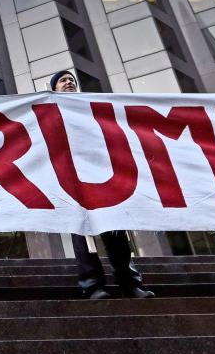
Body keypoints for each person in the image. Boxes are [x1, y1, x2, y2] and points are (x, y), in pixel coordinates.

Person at [48, 70, 155, 299]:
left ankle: (129, 284)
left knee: (116, 230)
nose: (69, 83)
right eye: (63, 80)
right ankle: (93, 286)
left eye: (72, 80)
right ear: (54, 89)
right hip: (71, 180)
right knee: (82, 234)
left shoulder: (91, 109)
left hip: (102, 176)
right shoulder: (49, 114)